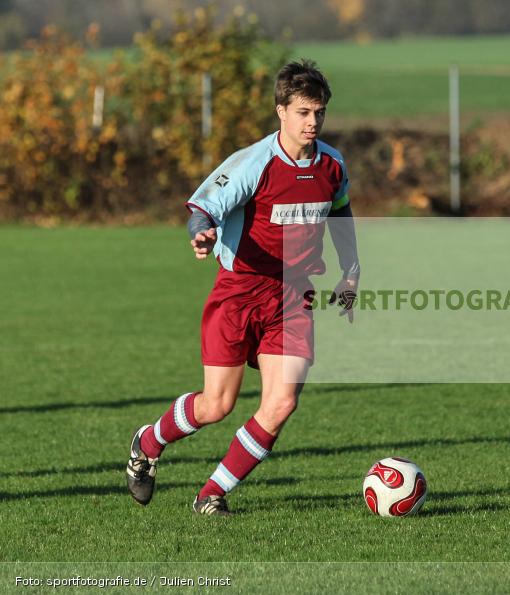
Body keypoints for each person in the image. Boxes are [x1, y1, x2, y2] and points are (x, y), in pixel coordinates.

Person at [126, 59, 360, 516]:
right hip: (240, 291)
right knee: (217, 404)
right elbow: (203, 207)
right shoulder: (254, 162)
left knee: (282, 402)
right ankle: (148, 442)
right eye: (303, 112)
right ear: (281, 112)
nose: (313, 122)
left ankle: (211, 493)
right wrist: (202, 232)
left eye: (319, 113)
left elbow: (342, 213)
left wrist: (350, 271)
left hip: (294, 295)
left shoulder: (333, 165)